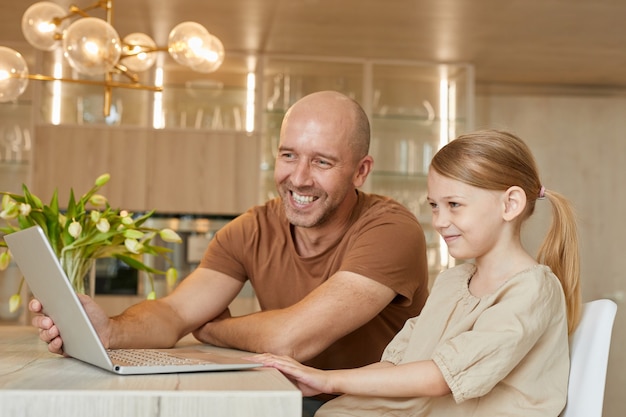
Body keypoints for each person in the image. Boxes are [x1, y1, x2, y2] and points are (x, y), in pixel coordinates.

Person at [30, 90, 430, 414]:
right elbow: (174, 313)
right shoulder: (252, 229)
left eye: (322, 162)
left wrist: (212, 327)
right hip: (286, 399)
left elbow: (292, 340)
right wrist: (110, 331)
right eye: (288, 155)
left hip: (380, 409)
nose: (299, 178)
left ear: (361, 171)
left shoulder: (391, 229)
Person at [251, 129, 582, 417]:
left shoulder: (533, 289)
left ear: (510, 204)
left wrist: (326, 379)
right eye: (434, 206)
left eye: (454, 205)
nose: (438, 221)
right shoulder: (454, 281)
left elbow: (441, 377)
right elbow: (397, 364)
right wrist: (319, 383)